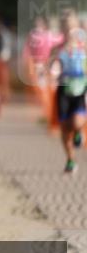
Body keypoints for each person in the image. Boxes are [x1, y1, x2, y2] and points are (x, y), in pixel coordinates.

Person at [50, 12, 87, 175]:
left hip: (80, 89)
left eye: (71, 27)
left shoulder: (84, 47)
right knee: (65, 128)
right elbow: (51, 67)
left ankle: (79, 132)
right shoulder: (58, 49)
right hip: (63, 90)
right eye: (65, 26)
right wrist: (52, 70)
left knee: (77, 123)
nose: (68, 30)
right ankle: (71, 159)